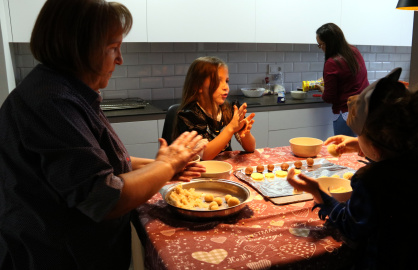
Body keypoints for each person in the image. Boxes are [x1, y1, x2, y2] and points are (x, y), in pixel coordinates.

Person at [0, 0, 205, 269]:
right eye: (113, 48)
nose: (120, 59)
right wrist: (166, 164)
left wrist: (162, 167)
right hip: (58, 258)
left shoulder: (65, 91)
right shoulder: (53, 103)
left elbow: (98, 163)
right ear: (79, 48)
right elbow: (105, 198)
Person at [287, 68, 418, 269]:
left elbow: (351, 227)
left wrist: (318, 193)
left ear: (375, 146)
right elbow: (396, 161)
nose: (356, 138)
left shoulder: (370, 180)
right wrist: (359, 144)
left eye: (358, 135)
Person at [174, 56, 256, 160]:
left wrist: (244, 132)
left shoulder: (229, 110)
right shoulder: (189, 116)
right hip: (200, 173)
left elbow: (251, 148)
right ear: (198, 86)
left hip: (225, 169)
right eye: (218, 81)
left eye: (226, 81)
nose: (226, 87)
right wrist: (230, 128)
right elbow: (204, 156)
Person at [316, 23, 369, 136]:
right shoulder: (354, 51)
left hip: (346, 114)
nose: (321, 48)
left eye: (321, 45)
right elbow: (350, 79)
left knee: (343, 151)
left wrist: (322, 88)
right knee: (358, 151)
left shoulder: (332, 62)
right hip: (363, 111)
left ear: (329, 43)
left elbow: (329, 97)